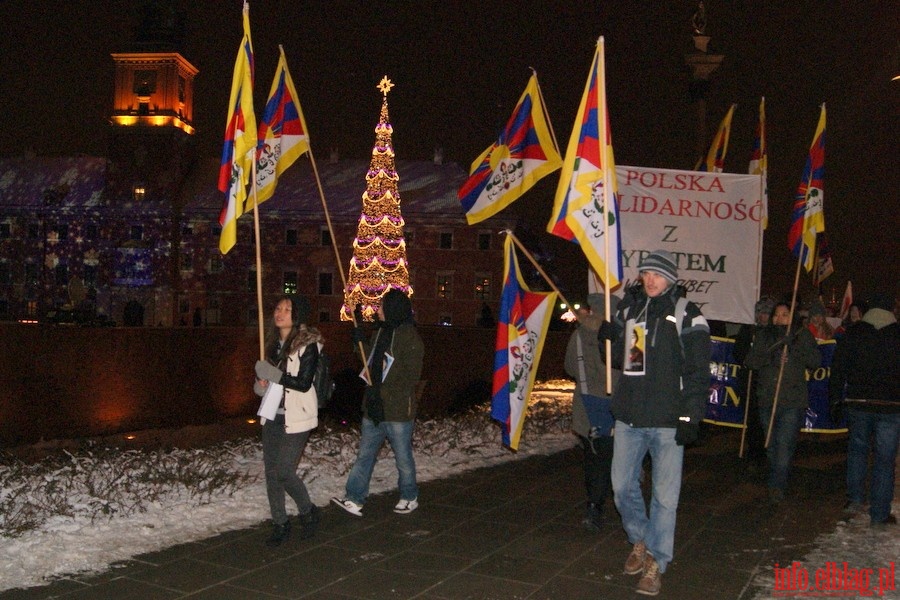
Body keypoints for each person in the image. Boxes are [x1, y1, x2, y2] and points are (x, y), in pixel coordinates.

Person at [598, 250, 711, 596]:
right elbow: (626, 362)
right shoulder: (631, 309)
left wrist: (690, 414)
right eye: (646, 273)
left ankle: (655, 563)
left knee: (665, 496)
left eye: (658, 275)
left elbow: (697, 371)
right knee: (620, 486)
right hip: (631, 416)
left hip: (667, 421)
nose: (650, 280)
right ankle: (641, 540)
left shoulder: (688, 315)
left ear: (671, 278)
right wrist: (610, 336)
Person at [332, 288, 425, 517]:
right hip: (373, 408)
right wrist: (359, 340)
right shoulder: (380, 333)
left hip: (396, 411)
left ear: (394, 308)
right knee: (365, 455)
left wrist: (383, 385)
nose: (379, 310)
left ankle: (409, 496)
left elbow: (410, 376)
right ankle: (354, 498)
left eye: (383, 306)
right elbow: (369, 361)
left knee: (403, 458)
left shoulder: (410, 338)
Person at [253, 295, 323, 547]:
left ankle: (308, 511)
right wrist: (261, 384)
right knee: (272, 474)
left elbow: (303, 383)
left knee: (283, 471)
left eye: (287, 309)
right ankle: (280, 523)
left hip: (297, 416)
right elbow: (269, 383)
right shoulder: (272, 345)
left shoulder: (308, 345)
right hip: (273, 415)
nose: (280, 313)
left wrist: (273, 374)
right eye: (278, 308)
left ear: (297, 315)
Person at [829, 293, 899, 526]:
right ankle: (879, 513)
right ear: (892, 308)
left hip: (858, 403)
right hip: (891, 406)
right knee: (885, 459)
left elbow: (838, 369)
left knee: (858, 451)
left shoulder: (854, 333)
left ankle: (855, 499)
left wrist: (835, 399)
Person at [744, 301, 821, 506]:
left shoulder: (801, 335)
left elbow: (815, 361)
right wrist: (770, 354)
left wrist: (794, 349)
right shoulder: (764, 335)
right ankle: (778, 472)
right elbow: (750, 361)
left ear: (792, 316)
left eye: (785, 314)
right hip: (768, 398)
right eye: (776, 314)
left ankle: (777, 485)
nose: (779, 318)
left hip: (792, 400)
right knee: (770, 444)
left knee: (784, 445)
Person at [564, 293, 621, 531]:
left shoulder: (577, 334)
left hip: (585, 406)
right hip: (613, 407)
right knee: (610, 458)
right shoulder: (616, 335)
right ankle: (604, 503)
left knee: (593, 457)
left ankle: (594, 505)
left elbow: (569, 367)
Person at [732, 296, 776, 471]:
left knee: (767, 420)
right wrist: (747, 360)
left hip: (768, 382)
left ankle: (769, 453)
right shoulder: (748, 331)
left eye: (766, 313)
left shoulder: (775, 333)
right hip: (750, 380)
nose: (762, 317)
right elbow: (738, 351)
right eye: (760, 313)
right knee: (753, 419)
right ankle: (754, 453)